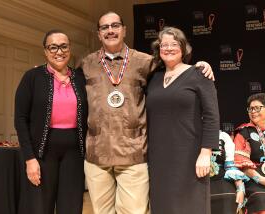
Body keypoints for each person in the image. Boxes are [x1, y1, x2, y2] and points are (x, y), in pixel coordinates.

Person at [81, 12, 214, 214]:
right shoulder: (86, 64)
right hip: (97, 155)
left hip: (133, 155)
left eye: (115, 25)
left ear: (124, 30)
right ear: (98, 34)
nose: (110, 30)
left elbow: (177, 69)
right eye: (104, 27)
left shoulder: (144, 62)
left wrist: (202, 65)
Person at [146, 26, 220, 214]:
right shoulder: (153, 77)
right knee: (162, 206)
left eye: (174, 44)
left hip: (190, 155)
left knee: (191, 206)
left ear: (184, 47)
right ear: (158, 49)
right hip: (158, 156)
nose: (169, 48)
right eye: (164, 45)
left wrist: (206, 153)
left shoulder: (199, 73)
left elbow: (212, 116)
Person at [14, 30, 88, 214]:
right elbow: (20, 119)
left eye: (63, 46)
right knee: (40, 206)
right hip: (42, 152)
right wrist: (30, 158)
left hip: (75, 153)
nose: (59, 51)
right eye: (53, 47)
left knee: (71, 206)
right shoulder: (32, 77)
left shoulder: (80, 78)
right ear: (46, 51)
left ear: (69, 49)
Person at [234, 93, 265, 214]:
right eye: (250, 109)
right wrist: (261, 179)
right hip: (255, 181)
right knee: (261, 200)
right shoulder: (243, 132)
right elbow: (241, 162)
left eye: (257, 108)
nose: (253, 111)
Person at [210, 131, 249, 214]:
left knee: (230, 197)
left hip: (221, 177)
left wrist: (240, 189)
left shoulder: (223, 136)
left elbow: (230, 165)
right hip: (196, 180)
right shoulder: (189, 135)